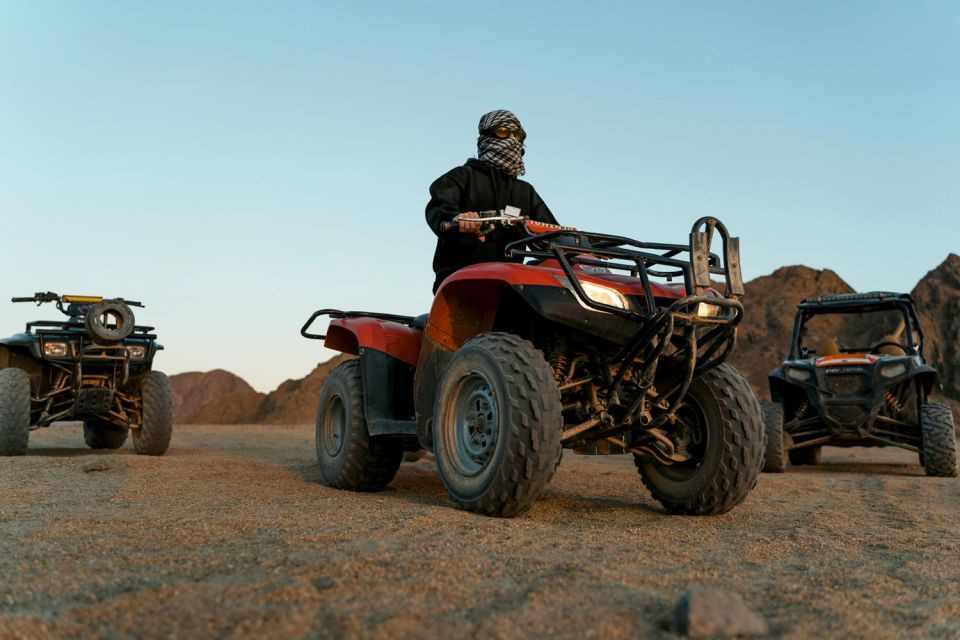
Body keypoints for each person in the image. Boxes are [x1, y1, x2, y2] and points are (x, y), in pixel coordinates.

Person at [425, 110, 561, 293]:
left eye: (518, 135)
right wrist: (458, 219)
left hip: (510, 284)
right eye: (504, 132)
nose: (512, 140)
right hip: (461, 279)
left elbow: (550, 231)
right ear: (486, 136)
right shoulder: (462, 177)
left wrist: (580, 248)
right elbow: (438, 208)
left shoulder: (524, 191)